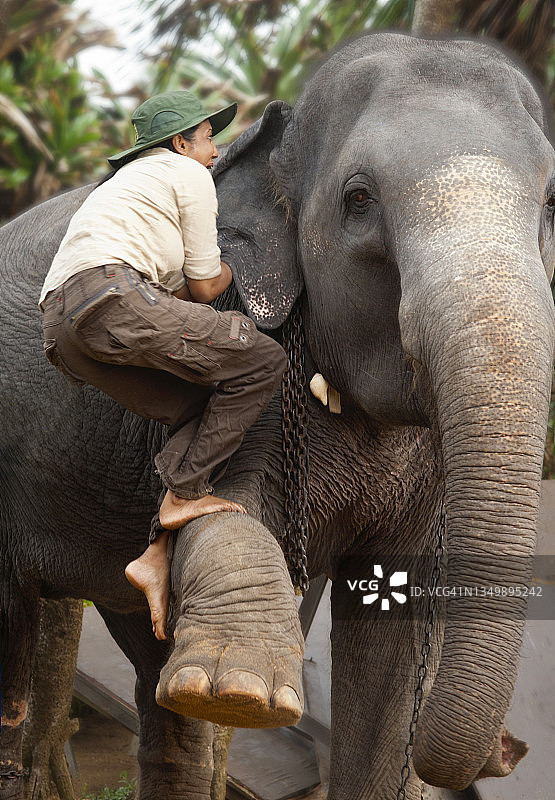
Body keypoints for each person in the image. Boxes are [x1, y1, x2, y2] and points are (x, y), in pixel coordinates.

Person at [39, 91, 288, 640]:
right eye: (207, 138)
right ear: (180, 143)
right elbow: (203, 287)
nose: (216, 152)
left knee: (199, 406)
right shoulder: (186, 174)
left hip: (62, 325)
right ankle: (185, 494)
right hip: (110, 294)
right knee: (261, 361)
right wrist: (238, 266)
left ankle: (154, 553)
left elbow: (170, 292)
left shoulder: (127, 191)